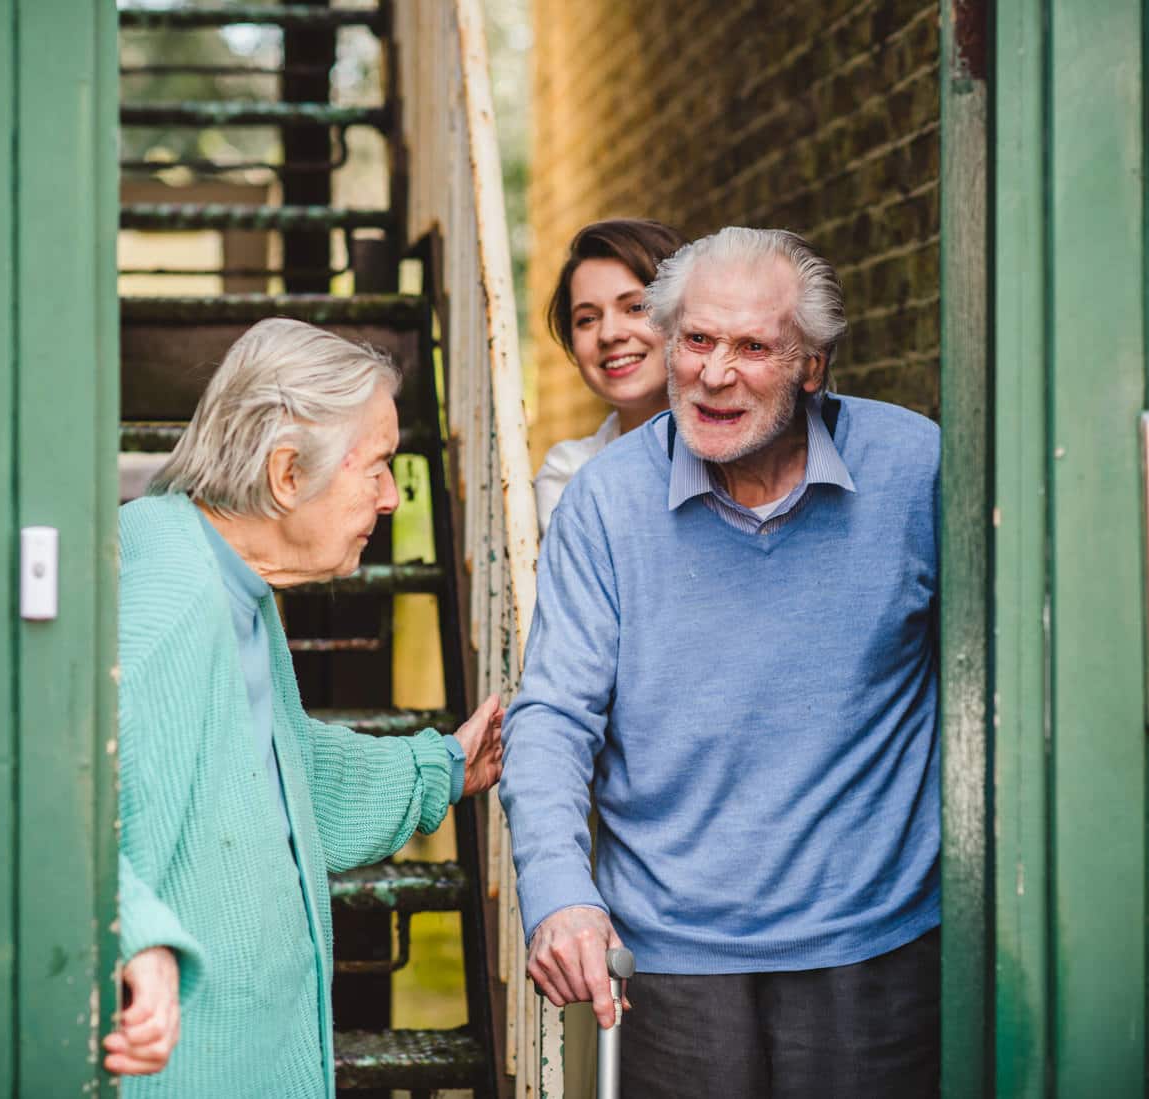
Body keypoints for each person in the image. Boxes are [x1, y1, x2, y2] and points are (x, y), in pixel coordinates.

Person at [500, 227, 940, 1097]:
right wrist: (557, 888)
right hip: (671, 954)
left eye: (752, 346)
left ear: (812, 365)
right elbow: (553, 714)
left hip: (876, 948)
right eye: (697, 339)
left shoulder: (916, 468)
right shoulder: (604, 502)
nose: (714, 371)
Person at [105, 318, 504, 1097]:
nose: (391, 498)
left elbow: (283, 774)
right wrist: (139, 941)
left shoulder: (233, 590)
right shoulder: (171, 607)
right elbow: (61, 818)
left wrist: (443, 765)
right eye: (379, 467)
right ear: (287, 475)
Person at [534, 218, 685, 533]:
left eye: (635, 307)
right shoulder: (569, 473)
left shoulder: (754, 449)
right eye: (587, 319)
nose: (609, 334)